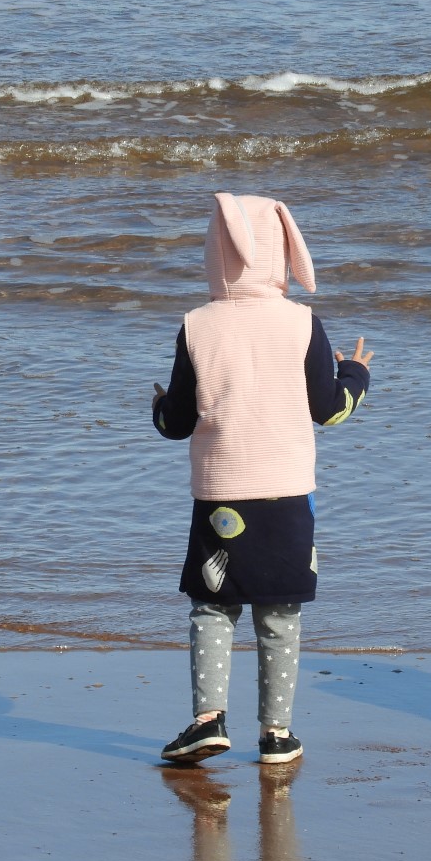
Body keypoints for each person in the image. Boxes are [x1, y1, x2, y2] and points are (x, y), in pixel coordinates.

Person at [152, 191, 373, 765]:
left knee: (211, 604)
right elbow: (329, 409)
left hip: (222, 495)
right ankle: (277, 733)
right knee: (279, 611)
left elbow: (175, 422)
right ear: (281, 255)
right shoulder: (302, 324)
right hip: (286, 491)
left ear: (215, 256)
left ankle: (207, 719)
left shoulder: (196, 325)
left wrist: (156, 406)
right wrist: (355, 375)